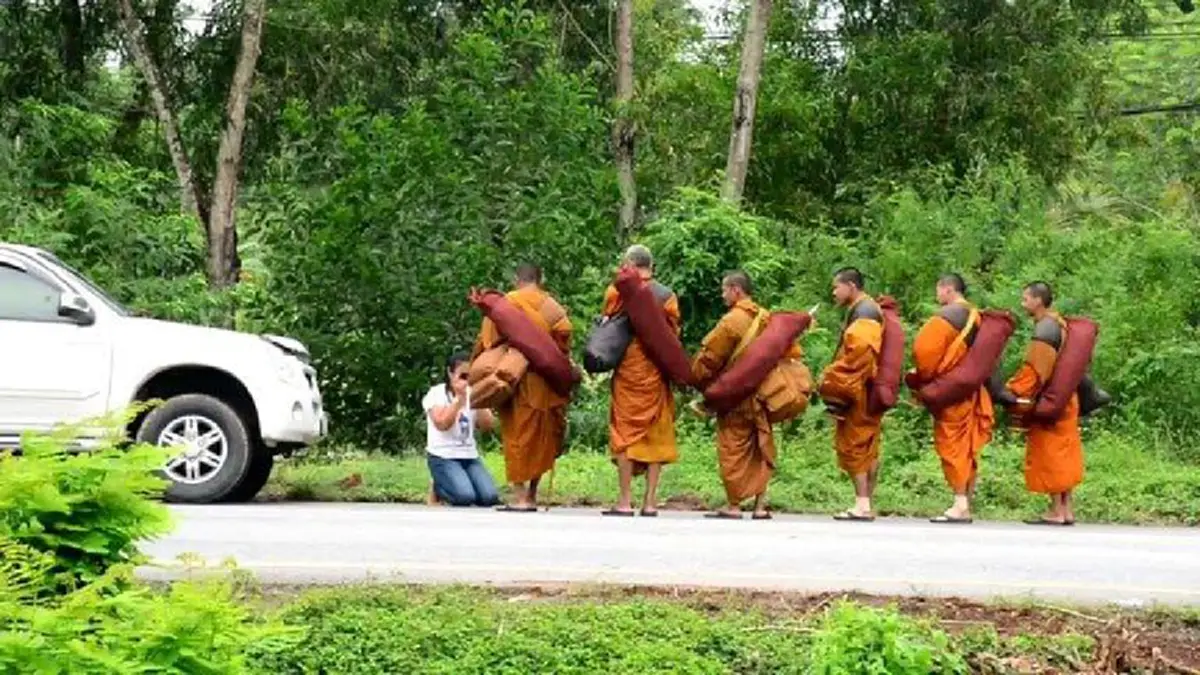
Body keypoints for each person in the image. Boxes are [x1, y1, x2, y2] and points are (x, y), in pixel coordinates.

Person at [690, 271, 799, 520]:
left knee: (733, 448)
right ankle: (760, 506)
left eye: (724, 289)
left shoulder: (732, 321)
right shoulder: (767, 317)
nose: (722, 294)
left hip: (735, 396)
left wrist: (696, 378)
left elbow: (710, 357)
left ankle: (735, 505)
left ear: (736, 290)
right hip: (763, 395)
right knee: (761, 447)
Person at [471, 263, 572, 512]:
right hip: (544, 380)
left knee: (517, 437)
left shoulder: (508, 304)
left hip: (515, 378)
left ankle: (520, 497)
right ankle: (533, 495)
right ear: (541, 279)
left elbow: (487, 341)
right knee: (541, 438)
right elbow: (564, 340)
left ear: (517, 280)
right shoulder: (553, 307)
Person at [600, 245, 681, 517]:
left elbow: (609, 324)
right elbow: (672, 335)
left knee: (625, 435)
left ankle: (624, 501)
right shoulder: (667, 296)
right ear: (652, 266)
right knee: (655, 434)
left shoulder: (616, 291)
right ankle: (650, 502)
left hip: (628, 368)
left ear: (629, 265)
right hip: (655, 370)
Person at [909, 273, 994, 524]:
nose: (937, 296)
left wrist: (921, 380)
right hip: (972, 390)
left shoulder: (945, 318)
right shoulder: (977, 317)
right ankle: (965, 502)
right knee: (967, 450)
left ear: (947, 289)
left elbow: (924, 354)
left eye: (938, 290)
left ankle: (959, 504)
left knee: (953, 446)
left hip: (951, 392)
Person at [1003, 281, 1084, 526]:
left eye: (1026, 298)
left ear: (1038, 300)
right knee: (1065, 450)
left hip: (1051, 399)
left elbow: (1036, 370)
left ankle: (1056, 511)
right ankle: (1066, 509)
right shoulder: (1059, 323)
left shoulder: (1046, 328)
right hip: (1067, 397)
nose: (1023, 303)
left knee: (1051, 454)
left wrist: (1011, 391)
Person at [818, 267, 884, 522]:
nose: (834, 292)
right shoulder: (862, 309)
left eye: (837, 287)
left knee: (855, 446)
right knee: (867, 447)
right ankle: (865, 503)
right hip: (866, 388)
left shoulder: (865, 311)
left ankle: (862, 505)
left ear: (851, 286)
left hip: (860, 390)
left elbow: (861, 354)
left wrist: (833, 374)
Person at [421, 351, 500, 507]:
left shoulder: (474, 393)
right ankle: (438, 486)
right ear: (450, 374)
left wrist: (478, 399)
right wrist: (459, 400)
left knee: (489, 498)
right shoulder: (436, 393)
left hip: (469, 455)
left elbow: (488, 426)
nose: (467, 380)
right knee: (464, 497)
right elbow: (442, 424)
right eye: (463, 376)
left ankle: (459, 483)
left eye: (471, 376)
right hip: (443, 455)